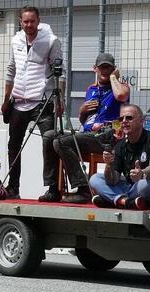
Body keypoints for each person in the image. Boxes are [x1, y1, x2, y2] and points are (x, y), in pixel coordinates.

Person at [40, 53, 130, 203]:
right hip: (88, 134)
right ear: (95, 69)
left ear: (114, 69)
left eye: (108, 68)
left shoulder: (121, 87)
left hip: (109, 137)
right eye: (102, 68)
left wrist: (114, 78)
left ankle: (83, 189)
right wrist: (82, 111)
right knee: (49, 136)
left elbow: (121, 96)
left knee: (61, 142)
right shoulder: (91, 89)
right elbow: (85, 121)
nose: (105, 71)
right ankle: (53, 188)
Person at [2, 5, 65, 200]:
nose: (29, 25)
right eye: (25, 21)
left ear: (39, 21)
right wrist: (6, 100)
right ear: (20, 22)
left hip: (42, 101)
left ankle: (52, 189)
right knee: (13, 145)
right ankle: (14, 187)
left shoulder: (51, 40)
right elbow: (11, 69)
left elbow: (59, 72)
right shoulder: (15, 40)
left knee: (49, 141)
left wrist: (59, 99)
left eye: (32, 21)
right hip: (19, 101)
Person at [89, 104, 150, 210]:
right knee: (95, 179)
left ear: (141, 121)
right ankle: (124, 201)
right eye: (121, 119)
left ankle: (112, 200)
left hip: (142, 185)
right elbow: (112, 180)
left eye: (129, 118)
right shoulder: (120, 145)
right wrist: (108, 165)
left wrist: (142, 174)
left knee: (143, 185)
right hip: (128, 187)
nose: (124, 121)